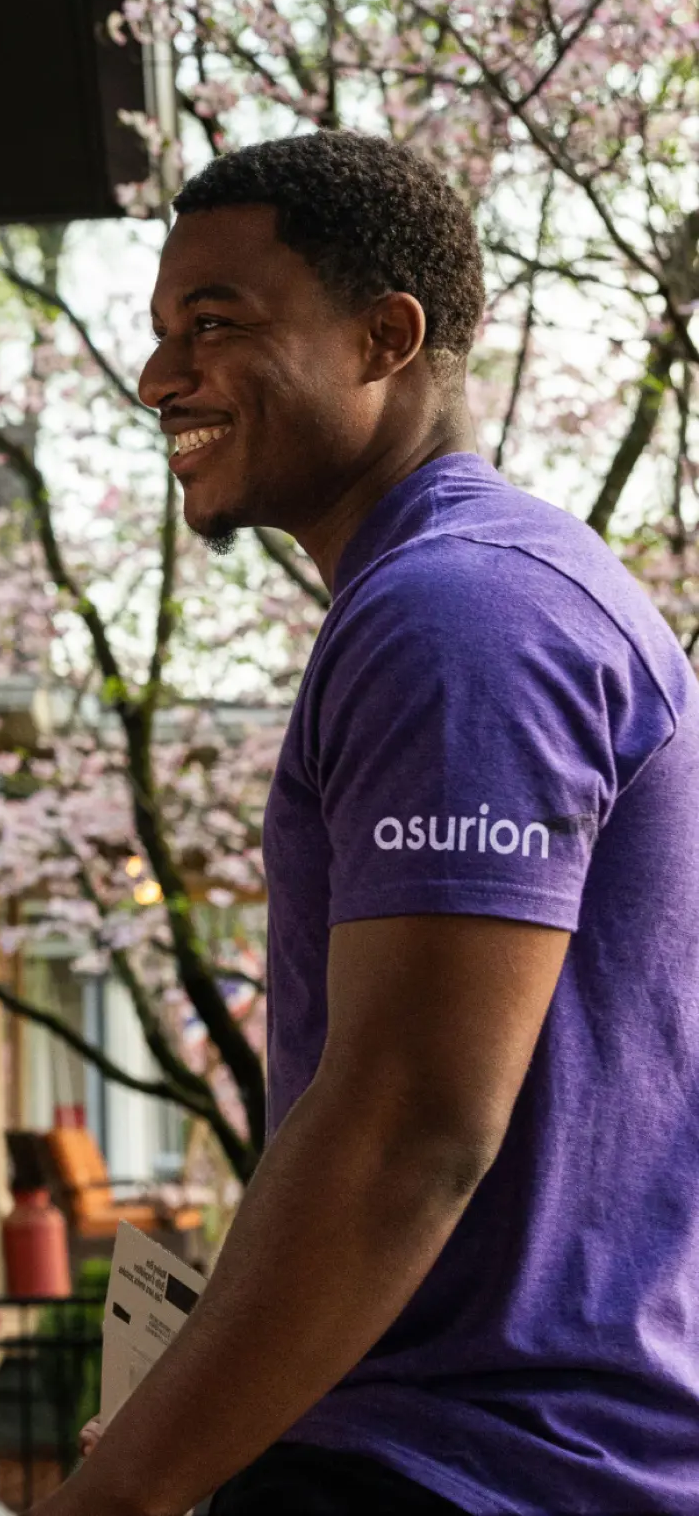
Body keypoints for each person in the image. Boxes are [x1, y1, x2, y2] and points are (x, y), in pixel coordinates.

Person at [40, 131, 699, 1515]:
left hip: (481, 1472)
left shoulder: (466, 613)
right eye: (160, 333)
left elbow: (411, 1125)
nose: (161, 379)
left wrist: (132, 1491)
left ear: (384, 337)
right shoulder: (469, 595)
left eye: (214, 326)